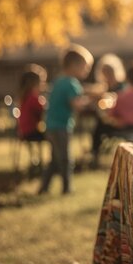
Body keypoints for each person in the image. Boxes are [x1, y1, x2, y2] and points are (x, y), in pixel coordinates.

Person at [39, 44, 93, 195]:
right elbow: (76, 105)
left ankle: (44, 188)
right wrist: (90, 100)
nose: (86, 71)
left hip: (50, 125)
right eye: (85, 67)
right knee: (65, 159)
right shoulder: (71, 83)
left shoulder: (59, 80)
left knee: (55, 159)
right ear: (74, 66)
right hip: (61, 126)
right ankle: (67, 188)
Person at [91, 54, 126, 165]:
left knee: (99, 127)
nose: (107, 75)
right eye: (104, 73)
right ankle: (94, 155)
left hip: (119, 119)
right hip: (107, 119)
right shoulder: (103, 87)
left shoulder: (121, 87)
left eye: (109, 72)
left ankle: (95, 154)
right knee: (98, 126)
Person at [17, 64, 47, 142]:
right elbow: (44, 111)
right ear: (35, 84)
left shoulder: (25, 97)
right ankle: (57, 153)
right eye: (42, 83)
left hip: (24, 132)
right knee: (55, 134)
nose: (43, 86)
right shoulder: (32, 98)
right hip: (31, 132)